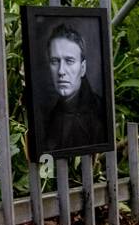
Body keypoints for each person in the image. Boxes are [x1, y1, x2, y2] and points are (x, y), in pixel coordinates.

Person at [44, 23, 105, 151]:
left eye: (69, 61)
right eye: (55, 61)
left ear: (82, 68)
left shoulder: (99, 114)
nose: (61, 71)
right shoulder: (50, 115)